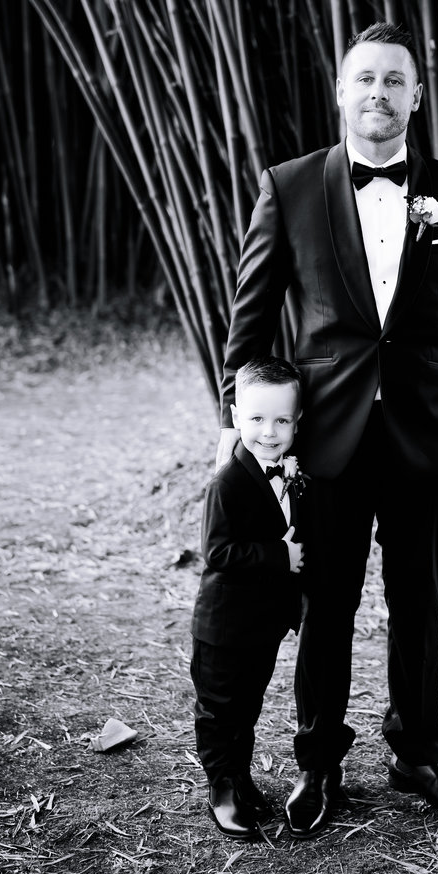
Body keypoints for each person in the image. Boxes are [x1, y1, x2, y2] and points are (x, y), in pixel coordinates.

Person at [215, 20, 438, 838]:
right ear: (342, 92)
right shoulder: (291, 185)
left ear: (418, 95)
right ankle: (320, 761)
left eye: (395, 80)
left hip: (427, 434)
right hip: (328, 437)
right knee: (326, 603)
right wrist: (236, 419)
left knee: (420, 601)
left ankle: (418, 752)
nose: (378, 93)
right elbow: (249, 318)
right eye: (364, 79)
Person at [191, 356, 307, 840]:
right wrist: (281, 557)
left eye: (282, 420)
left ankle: (241, 779)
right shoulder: (228, 481)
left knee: (248, 705)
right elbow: (217, 551)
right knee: (220, 710)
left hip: (261, 624)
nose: (269, 431)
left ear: (297, 422)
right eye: (257, 419)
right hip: (222, 625)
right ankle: (222, 785)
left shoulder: (293, 471)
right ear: (236, 417)